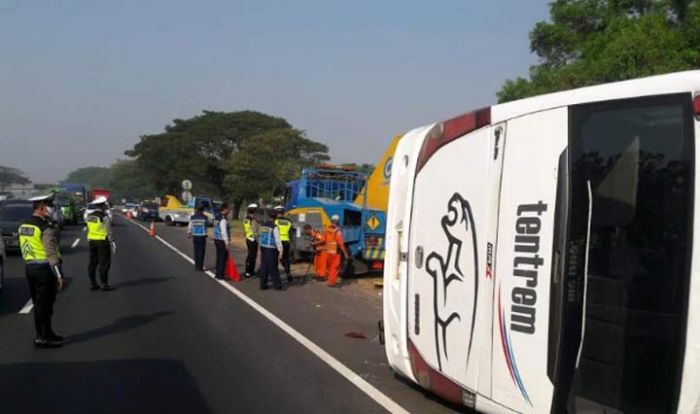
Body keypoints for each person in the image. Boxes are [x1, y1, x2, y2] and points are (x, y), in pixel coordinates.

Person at [19, 194, 65, 348]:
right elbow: (51, 252)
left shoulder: (24, 224)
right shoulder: (46, 227)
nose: (52, 209)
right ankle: (42, 337)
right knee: (45, 304)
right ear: (41, 207)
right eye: (49, 206)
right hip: (45, 269)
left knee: (39, 303)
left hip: (30, 268)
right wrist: (59, 275)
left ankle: (47, 333)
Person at [86, 196, 116, 291]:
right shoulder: (104, 217)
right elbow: (109, 231)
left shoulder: (89, 216)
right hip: (103, 241)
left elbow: (89, 226)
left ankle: (93, 284)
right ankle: (104, 284)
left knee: (93, 263)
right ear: (103, 206)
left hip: (92, 241)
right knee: (104, 263)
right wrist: (112, 242)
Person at [258, 209, 283, 290]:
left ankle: (263, 284)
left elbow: (260, 236)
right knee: (273, 267)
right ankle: (277, 285)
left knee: (264, 266)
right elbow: (277, 240)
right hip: (271, 249)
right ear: (275, 217)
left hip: (263, 247)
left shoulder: (263, 225)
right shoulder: (274, 227)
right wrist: (280, 251)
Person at [323, 214, 350, 288]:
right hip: (335, 252)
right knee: (334, 268)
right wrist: (346, 254)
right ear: (337, 221)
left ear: (331, 221)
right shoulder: (337, 231)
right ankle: (331, 283)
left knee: (329, 267)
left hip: (328, 251)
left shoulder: (327, 229)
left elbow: (324, 240)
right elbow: (341, 244)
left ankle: (328, 280)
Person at [274, 206, 293, 282]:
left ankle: (275, 275)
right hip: (286, 242)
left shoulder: (275, 221)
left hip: (277, 242)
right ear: (283, 212)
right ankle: (288, 273)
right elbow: (291, 233)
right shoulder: (289, 221)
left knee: (275, 258)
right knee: (286, 259)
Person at [213, 203, 231, 280]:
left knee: (219, 256)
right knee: (222, 258)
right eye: (228, 209)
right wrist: (226, 242)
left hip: (216, 238)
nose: (229, 210)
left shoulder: (217, 217)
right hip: (221, 240)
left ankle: (218, 272)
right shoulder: (223, 219)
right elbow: (224, 231)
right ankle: (220, 274)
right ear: (225, 209)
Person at [187, 204, 208, 271]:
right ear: (203, 210)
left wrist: (189, 233)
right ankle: (200, 267)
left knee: (196, 251)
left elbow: (190, 225)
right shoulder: (205, 217)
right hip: (202, 236)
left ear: (197, 209)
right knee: (201, 252)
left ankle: (196, 266)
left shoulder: (193, 217)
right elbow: (206, 226)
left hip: (195, 235)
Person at [243, 203, 259, 278]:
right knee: (253, 256)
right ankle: (251, 272)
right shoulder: (253, 220)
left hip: (248, 238)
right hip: (253, 239)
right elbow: (255, 231)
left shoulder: (246, 219)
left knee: (249, 255)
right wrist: (258, 239)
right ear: (254, 211)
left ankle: (247, 271)